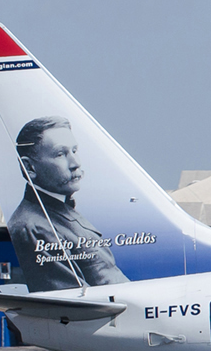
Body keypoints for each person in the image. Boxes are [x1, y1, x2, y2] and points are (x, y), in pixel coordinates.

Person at [7, 116, 129, 291]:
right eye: (60, 154)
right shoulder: (33, 227)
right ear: (29, 168)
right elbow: (75, 299)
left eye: (74, 151)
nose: (75, 163)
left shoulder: (60, 212)